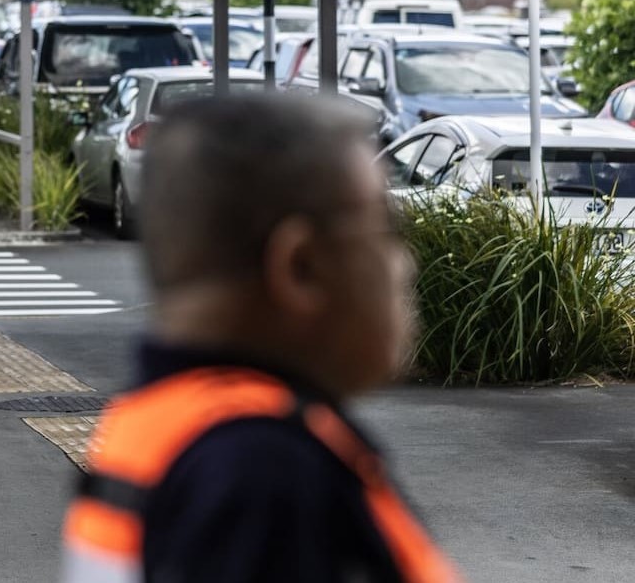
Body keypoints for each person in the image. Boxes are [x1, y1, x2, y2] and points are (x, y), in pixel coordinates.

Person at [62, 94, 461, 583]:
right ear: (301, 266)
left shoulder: (156, 428)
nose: (405, 262)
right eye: (384, 228)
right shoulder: (264, 478)